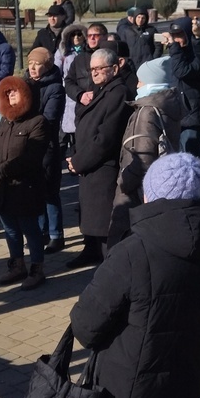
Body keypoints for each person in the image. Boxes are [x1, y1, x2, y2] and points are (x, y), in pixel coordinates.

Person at [70, 153, 200, 398]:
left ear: (150, 194)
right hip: (188, 378)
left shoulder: (133, 251)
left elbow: (85, 326)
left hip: (128, 388)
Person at [67, 48, 132, 267]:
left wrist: (79, 161)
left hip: (102, 166)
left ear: (114, 68)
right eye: (92, 69)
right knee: (90, 217)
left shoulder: (118, 92)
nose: (94, 73)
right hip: (88, 164)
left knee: (104, 222)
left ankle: (111, 268)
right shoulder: (101, 88)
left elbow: (106, 137)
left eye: (99, 68)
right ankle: (91, 252)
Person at [109, 56, 182, 245]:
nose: (137, 85)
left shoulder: (146, 111)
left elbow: (143, 156)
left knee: (124, 243)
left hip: (137, 193)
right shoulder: (168, 104)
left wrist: (124, 183)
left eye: (141, 81)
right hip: (160, 187)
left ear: (152, 82)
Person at [0, 76, 50, 290]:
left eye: (15, 91)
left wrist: (1, 169)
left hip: (26, 187)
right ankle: (17, 265)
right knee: (10, 229)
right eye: (8, 93)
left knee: (30, 229)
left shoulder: (38, 122)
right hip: (3, 187)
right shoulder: (6, 120)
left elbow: (31, 157)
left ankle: (37, 269)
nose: (11, 95)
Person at [25, 47, 66, 253]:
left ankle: (56, 235)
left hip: (47, 146)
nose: (32, 68)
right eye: (30, 63)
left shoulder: (56, 88)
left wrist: (26, 122)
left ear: (47, 66)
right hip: (28, 146)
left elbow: (49, 119)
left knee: (49, 191)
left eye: (37, 64)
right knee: (34, 191)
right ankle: (40, 232)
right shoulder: (25, 84)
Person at [164, 17, 200, 157]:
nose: (176, 39)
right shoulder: (177, 53)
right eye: (174, 36)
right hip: (175, 115)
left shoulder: (198, 54)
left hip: (191, 115)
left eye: (180, 35)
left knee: (190, 159)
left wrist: (173, 48)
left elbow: (182, 71)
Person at [55, 23, 87, 161]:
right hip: (66, 93)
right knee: (63, 129)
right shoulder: (63, 53)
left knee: (79, 130)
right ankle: (59, 158)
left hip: (82, 91)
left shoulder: (87, 52)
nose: (76, 37)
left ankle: (76, 158)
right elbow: (57, 71)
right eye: (73, 35)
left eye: (79, 34)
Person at [65, 22, 108, 108]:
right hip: (83, 108)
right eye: (89, 35)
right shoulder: (79, 59)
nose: (92, 38)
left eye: (96, 35)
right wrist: (80, 95)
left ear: (105, 37)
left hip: (104, 106)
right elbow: (69, 82)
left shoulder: (112, 57)